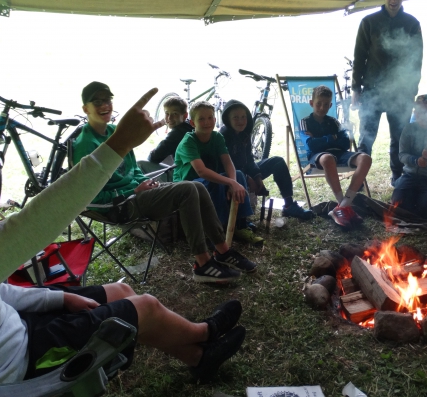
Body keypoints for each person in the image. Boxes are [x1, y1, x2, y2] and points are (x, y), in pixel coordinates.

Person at [0, 89, 246, 388]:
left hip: (8, 332)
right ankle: (205, 335)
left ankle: (197, 358)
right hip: (11, 369)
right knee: (142, 307)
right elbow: (27, 229)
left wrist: (60, 298)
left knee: (121, 291)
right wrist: (117, 146)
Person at [72, 82, 255, 283]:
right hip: (119, 205)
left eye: (107, 100)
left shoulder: (116, 133)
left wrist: (146, 182)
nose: (105, 105)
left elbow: (134, 170)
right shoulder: (85, 145)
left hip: (137, 193)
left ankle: (223, 251)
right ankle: (203, 264)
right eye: (97, 101)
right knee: (187, 189)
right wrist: (134, 190)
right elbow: (91, 197)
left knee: (197, 186)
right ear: (85, 109)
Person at [351, 0, 423, 185]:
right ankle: (359, 180)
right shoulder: (369, 22)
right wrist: (356, 88)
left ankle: (398, 178)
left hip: (400, 92)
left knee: (399, 139)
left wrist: (412, 91)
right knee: (366, 138)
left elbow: (416, 60)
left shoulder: (412, 24)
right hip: (372, 89)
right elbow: (359, 57)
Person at [173, 101, 264, 246]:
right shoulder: (188, 142)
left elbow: (228, 163)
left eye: (210, 118)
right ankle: (217, 233)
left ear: (215, 120)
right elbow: (201, 171)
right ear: (192, 123)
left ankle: (240, 225)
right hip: (187, 186)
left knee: (239, 175)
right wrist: (230, 182)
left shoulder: (217, 137)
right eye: (201, 119)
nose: (207, 122)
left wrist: (233, 182)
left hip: (207, 181)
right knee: (215, 183)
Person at [219, 99, 313, 220]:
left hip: (245, 171)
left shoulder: (244, 133)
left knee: (278, 162)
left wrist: (257, 177)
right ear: (227, 119)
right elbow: (224, 166)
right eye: (235, 118)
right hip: (230, 176)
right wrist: (247, 178)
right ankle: (241, 218)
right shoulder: (223, 136)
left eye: (243, 117)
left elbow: (249, 159)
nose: (240, 121)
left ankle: (289, 205)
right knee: (239, 175)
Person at [300, 85, 372, 229]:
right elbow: (311, 145)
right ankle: (343, 205)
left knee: (366, 159)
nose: (322, 107)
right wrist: (332, 137)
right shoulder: (305, 122)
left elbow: (345, 143)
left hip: (339, 153)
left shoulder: (334, 121)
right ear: (311, 103)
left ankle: (343, 206)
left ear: (331, 105)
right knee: (328, 158)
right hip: (318, 156)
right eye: (319, 104)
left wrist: (321, 139)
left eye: (326, 104)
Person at [141, 96, 193, 181]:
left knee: (140, 164)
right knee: (167, 157)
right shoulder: (189, 126)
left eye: (175, 114)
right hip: (189, 170)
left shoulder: (177, 133)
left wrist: (153, 152)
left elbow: (154, 157)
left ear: (185, 116)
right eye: (167, 113)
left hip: (183, 177)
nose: (169, 118)